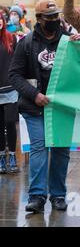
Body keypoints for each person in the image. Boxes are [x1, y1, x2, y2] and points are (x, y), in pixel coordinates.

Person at [9, 0, 80, 213]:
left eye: (56, 16)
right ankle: (37, 196)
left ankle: (58, 195)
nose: (54, 20)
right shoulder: (27, 43)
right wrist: (34, 94)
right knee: (39, 150)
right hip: (35, 108)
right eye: (49, 18)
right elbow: (14, 75)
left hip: (62, 108)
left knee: (60, 151)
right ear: (39, 19)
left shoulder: (69, 42)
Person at [0, 13, 19, 174]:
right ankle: (1, 157)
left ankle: (12, 155)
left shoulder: (11, 38)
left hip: (10, 88)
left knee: (10, 122)